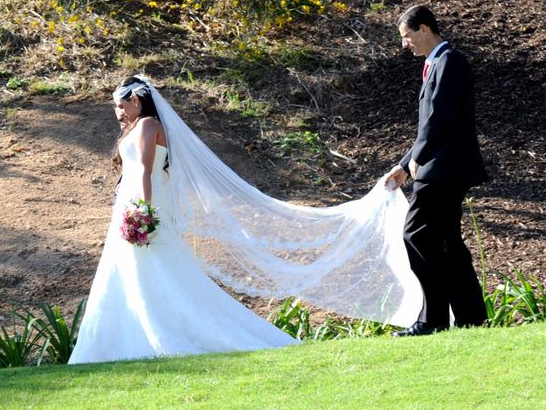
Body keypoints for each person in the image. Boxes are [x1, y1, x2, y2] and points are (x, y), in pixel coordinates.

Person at [69, 75, 421, 364]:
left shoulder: (147, 124)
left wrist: (142, 212)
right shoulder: (136, 128)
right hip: (132, 207)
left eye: (120, 104)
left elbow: (146, 171)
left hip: (142, 206)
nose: (117, 112)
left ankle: (160, 335)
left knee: (156, 270)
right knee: (135, 271)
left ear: (136, 100)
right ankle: (128, 341)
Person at [384, 5, 488, 337]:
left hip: (444, 168)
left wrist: (415, 161)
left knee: (416, 235)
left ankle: (433, 320)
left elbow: (439, 119)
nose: (405, 44)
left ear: (425, 29)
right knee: (446, 242)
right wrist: (403, 165)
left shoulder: (451, 62)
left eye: (408, 36)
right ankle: (470, 317)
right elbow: (429, 125)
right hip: (439, 166)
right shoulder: (437, 64)